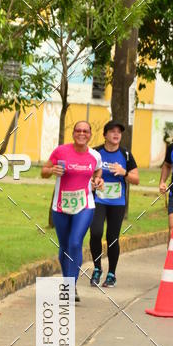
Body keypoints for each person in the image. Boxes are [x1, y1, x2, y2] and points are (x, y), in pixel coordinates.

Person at [41, 121, 104, 301]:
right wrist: (52, 170)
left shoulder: (95, 155)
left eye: (85, 131)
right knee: (65, 247)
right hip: (60, 206)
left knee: (75, 242)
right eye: (78, 130)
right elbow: (44, 171)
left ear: (90, 134)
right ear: (73, 133)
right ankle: (67, 281)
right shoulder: (61, 151)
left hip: (85, 205)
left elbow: (98, 172)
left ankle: (70, 286)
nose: (81, 133)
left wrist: (98, 180)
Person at [89, 120, 139, 287]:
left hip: (117, 202)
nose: (116, 134)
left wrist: (124, 173)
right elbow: (85, 172)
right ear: (105, 135)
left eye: (119, 131)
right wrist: (94, 181)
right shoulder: (95, 152)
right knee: (95, 233)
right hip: (98, 199)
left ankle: (111, 273)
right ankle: (97, 268)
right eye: (112, 131)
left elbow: (136, 179)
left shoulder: (125, 155)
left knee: (112, 238)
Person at [158, 139, 173, 241]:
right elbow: (167, 165)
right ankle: (171, 256)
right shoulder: (171, 148)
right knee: (172, 229)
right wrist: (162, 181)